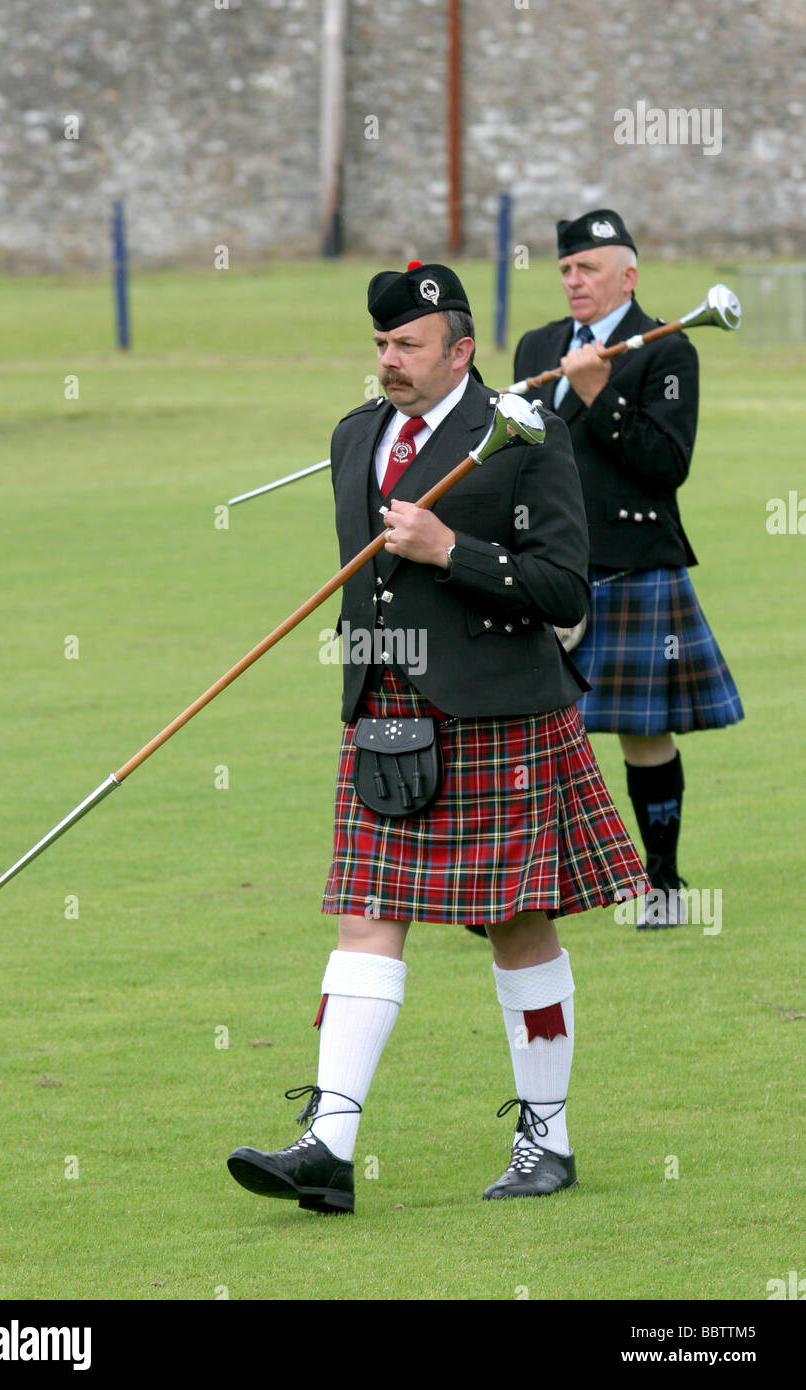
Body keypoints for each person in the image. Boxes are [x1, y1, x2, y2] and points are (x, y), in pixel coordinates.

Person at [227, 261, 648, 1215]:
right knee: (366, 917)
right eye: (381, 344)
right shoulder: (355, 437)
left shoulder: (523, 436)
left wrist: (451, 549)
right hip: (384, 717)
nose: (390, 361)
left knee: (516, 923)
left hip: (499, 715)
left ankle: (549, 1138)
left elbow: (565, 590)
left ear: (460, 350)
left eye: (408, 346)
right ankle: (328, 1144)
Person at [512, 211, 743, 927]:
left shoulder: (670, 351)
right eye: (565, 270)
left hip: (633, 566)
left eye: (586, 269)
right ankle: (520, 895)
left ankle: (664, 884)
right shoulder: (538, 345)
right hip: (547, 567)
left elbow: (664, 466)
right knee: (525, 730)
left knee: (644, 733)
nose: (572, 281)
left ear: (627, 275)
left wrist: (596, 394)